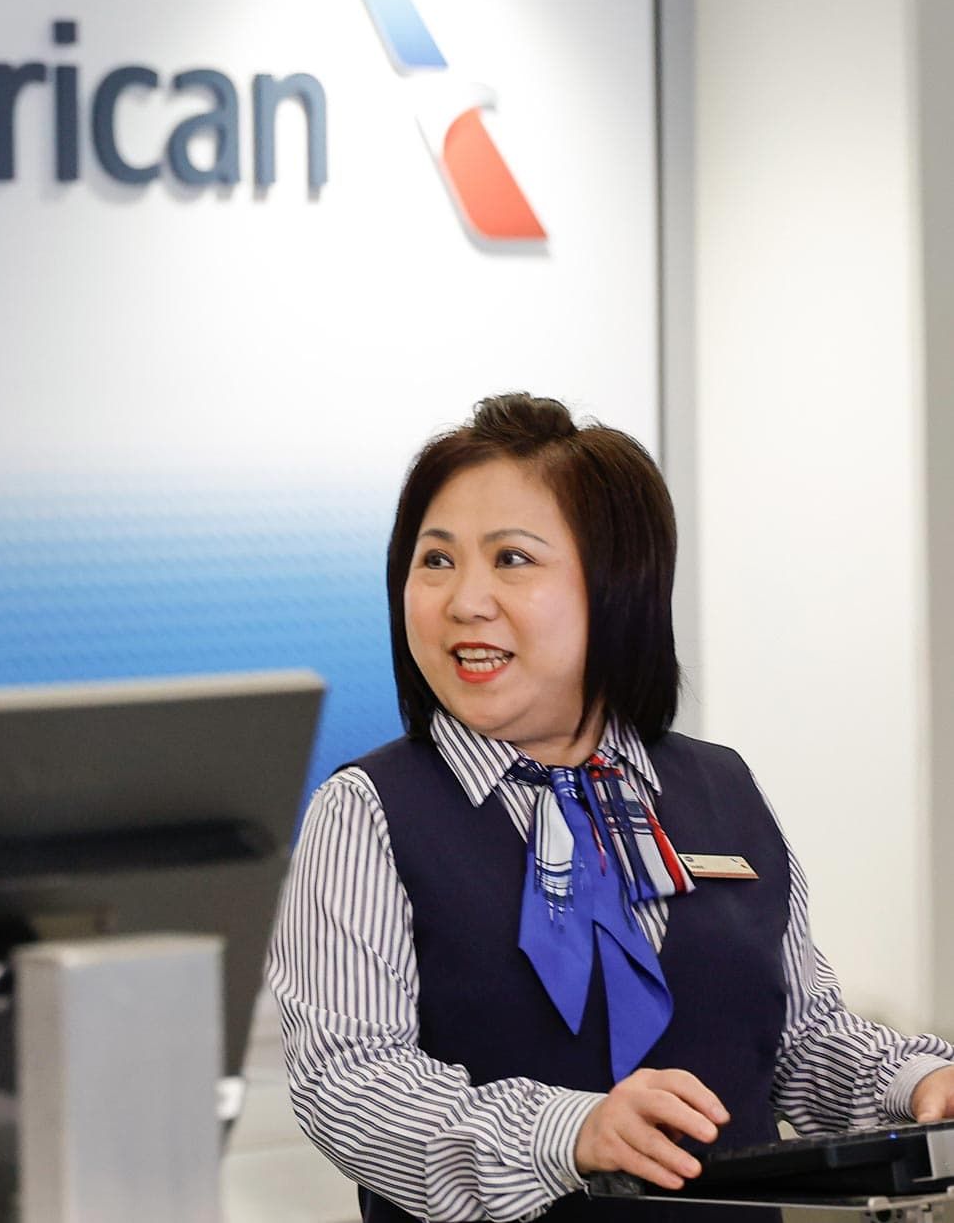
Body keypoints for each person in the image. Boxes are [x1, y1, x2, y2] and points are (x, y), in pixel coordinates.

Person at [267, 392, 954, 1223]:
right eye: (436, 560)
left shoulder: (721, 788)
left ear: (618, 585)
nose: (464, 601)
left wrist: (916, 1079)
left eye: (512, 560)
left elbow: (798, 1042)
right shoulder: (368, 811)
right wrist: (569, 1130)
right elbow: (352, 1083)